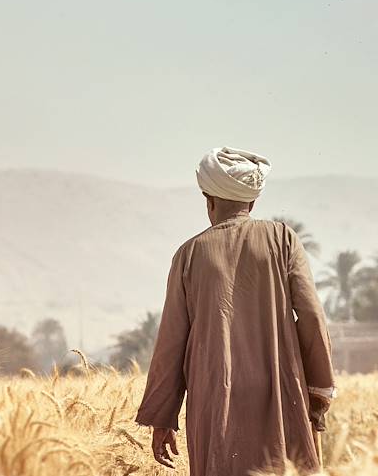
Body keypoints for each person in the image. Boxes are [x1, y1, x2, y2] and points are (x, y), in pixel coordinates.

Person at [136, 146, 335, 475]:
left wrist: (162, 417)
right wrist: (318, 389)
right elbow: (312, 316)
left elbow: (172, 341)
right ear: (253, 202)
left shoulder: (189, 255)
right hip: (282, 391)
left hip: (215, 398)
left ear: (209, 200)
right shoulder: (283, 239)